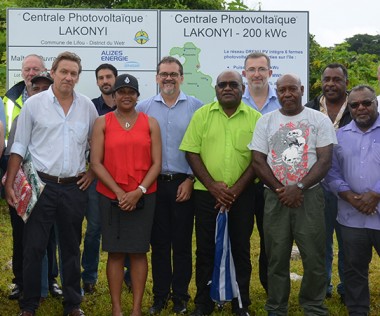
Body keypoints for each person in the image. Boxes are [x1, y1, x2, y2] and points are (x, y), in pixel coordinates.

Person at [5, 51, 98, 316]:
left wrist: (92, 172)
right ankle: (30, 304)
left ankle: (72, 303)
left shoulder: (87, 107)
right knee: (34, 247)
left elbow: (96, 144)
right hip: (41, 187)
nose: (68, 77)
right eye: (64, 72)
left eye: (73, 73)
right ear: (53, 72)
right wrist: (10, 184)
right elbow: (19, 146)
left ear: (78, 78)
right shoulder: (34, 105)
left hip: (73, 188)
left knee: (70, 247)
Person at [249, 74, 337, 316]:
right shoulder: (266, 121)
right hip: (274, 197)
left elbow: (325, 160)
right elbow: (258, 160)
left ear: (301, 89)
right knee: (276, 256)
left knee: (314, 256)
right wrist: (281, 189)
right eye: (282, 90)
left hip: (309, 196)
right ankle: (276, 307)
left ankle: (313, 305)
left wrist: (298, 187)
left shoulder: (319, 120)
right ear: (276, 92)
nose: (287, 94)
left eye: (292, 89)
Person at [180, 70, 262, 316]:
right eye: (222, 85)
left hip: (243, 196)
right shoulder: (202, 115)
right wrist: (213, 186)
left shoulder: (256, 118)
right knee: (205, 248)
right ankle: (203, 303)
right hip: (206, 195)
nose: (227, 88)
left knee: (240, 248)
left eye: (233, 84)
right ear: (215, 89)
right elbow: (191, 153)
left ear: (243, 89)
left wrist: (235, 190)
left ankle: (241, 303)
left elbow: (257, 160)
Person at [91, 73, 161, 316]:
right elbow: (96, 163)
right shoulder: (102, 122)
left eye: (131, 92)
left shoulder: (150, 122)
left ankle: (136, 309)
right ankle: (117, 309)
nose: (126, 96)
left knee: (139, 251)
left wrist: (138, 192)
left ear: (137, 96)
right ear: (114, 95)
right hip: (111, 197)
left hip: (144, 196)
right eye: (121, 92)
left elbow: (156, 164)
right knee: (116, 252)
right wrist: (121, 192)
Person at [137, 56, 203, 315]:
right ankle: (160, 296)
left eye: (174, 74)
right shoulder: (143, 108)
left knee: (182, 244)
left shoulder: (197, 108)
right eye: (164, 74)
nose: (168, 78)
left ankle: (181, 297)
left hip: (184, 183)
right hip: (153, 186)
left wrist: (190, 178)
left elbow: (201, 148)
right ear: (156, 77)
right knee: (160, 244)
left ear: (182, 77)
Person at [3, 61, 62, 301]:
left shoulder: (60, 112)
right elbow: (12, 150)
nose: (39, 91)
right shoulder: (17, 109)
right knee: (21, 233)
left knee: (50, 234)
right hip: (22, 181)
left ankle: (50, 279)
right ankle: (22, 281)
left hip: (50, 182)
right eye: (35, 87)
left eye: (44, 88)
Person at [326, 85, 380, 316]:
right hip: (351, 216)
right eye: (355, 105)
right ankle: (358, 311)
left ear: (376, 103)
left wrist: (376, 194)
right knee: (353, 270)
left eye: (366, 103)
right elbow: (331, 172)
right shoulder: (340, 136)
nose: (361, 108)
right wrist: (348, 195)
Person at [305, 63, 351, 302]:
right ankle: (323, 287)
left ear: (346, 83)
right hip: (316, 186)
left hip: (348, 187)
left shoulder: (357, 108)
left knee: (348, 240)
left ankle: (348, 287)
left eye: (337, 79)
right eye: (327, 79)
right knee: (320, 240)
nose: (331, 84)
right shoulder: (309, 108)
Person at [242, 52, 281, 293]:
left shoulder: (284, 101)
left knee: (272, 241)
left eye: (261, 69)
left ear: (270, 73)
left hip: (273, 184)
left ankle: (272, 292)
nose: (257, 74)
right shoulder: (234, 98)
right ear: (244, 74)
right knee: (240, 240)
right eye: (252, 69)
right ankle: (239, 292)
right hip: (243, 183)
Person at [81, 63, 118, 294]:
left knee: (123, 227)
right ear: (97, 82)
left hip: (124, 178)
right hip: (96, 177)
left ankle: (126, 275)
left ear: (116, 78)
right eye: (101, 77)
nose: (105, 81)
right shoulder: (91, 108)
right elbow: (87, 143)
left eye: (109, 76)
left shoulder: (128, 105)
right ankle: (89, 277)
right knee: (94, 228)